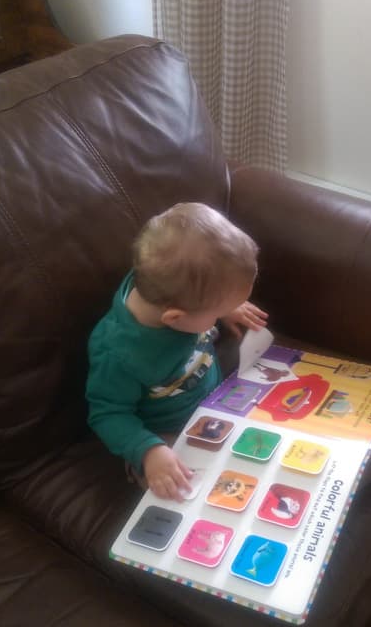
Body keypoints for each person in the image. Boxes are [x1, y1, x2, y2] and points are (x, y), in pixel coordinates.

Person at [86, 202, 268, 501]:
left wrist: (225, 308)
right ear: (174, 318)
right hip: (165, 436)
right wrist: (149, 451)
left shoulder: (167, 289)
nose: (223, 314)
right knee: (185, 492)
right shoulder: (117, 354)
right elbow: (107, 414)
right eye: (217, 311)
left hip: (216, 406)